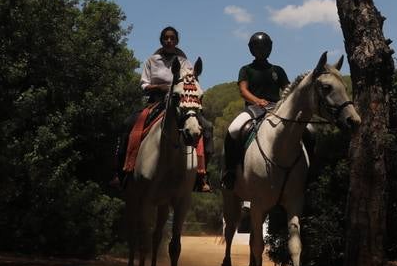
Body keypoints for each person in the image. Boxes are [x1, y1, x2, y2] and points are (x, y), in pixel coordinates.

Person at [113, 26, 213, 192]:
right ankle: (120, 172)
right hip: (156, 102)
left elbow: (191, 82)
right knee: (128, 124)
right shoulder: (152, 61)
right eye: (166, 38)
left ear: (177, 41)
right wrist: (159, 87)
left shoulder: (184, 62)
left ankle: (202, 175)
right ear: (161, 40)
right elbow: (144, 84)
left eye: (172, 38)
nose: (169, 41)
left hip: (180, 103)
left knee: (207, 127)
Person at [222, 31, 290, 190]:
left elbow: (288, 90)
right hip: (253, 109)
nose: (261, 50)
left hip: (276, 109)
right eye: (258, 47)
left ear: (270, 48)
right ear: (252, 49)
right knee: (234, 129)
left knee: (308, 130)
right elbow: (243, 91)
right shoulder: (246, 69)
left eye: (265, 47)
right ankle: (231, 171)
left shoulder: (278, 70)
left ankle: (311, 172)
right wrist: (258, 101)